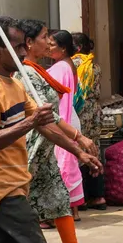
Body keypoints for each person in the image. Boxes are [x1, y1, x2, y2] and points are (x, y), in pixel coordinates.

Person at [0, 19, 107, 243]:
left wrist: (78, 151)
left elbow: (45, 121)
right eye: (18, 46)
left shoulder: (16, 82)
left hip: (27, 161)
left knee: (56, 198)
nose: (22, 52)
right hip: (5, 177)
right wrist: (38, 126)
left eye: (23, 45)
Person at [46, 30, 85, 209]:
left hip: (63, 119)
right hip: (70, 116)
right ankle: (73, 210)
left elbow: (54, 98)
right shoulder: (69, 65)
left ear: (63, 48)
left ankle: (65, 209)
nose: (48, 47)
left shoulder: (60, 68)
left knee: (63, 163)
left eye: (52, 44)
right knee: (68, 162)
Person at [70, 32, 107, 209]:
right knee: (94, 149)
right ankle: (98, 196)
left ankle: (81, 197)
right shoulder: (94, 66)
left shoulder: (74, 64)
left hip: (79, 110)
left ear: (76, 48)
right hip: (93, 110)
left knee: (78, 150)